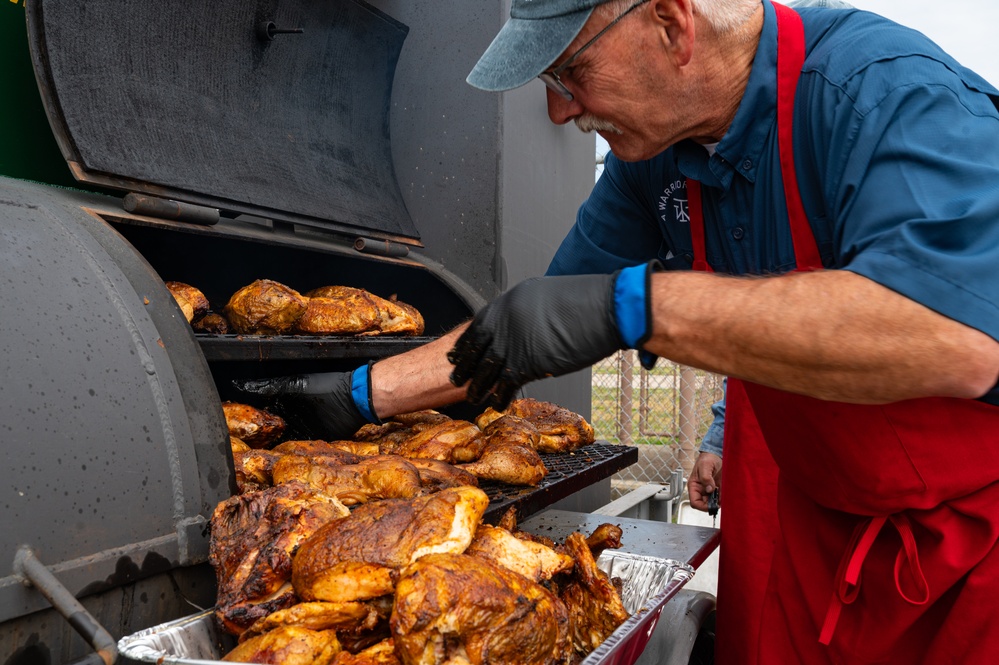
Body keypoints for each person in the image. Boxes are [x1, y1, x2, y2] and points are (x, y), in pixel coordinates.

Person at [241, 0, 999, 662]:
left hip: (973, 542)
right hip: (818, 522)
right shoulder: (655, 159)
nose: (560, 112)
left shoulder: (885, 93)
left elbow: (954, 333)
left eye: (567, 73)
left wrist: (638, 306)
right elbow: (522, 330)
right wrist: (358, 393)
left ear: (670, 23)